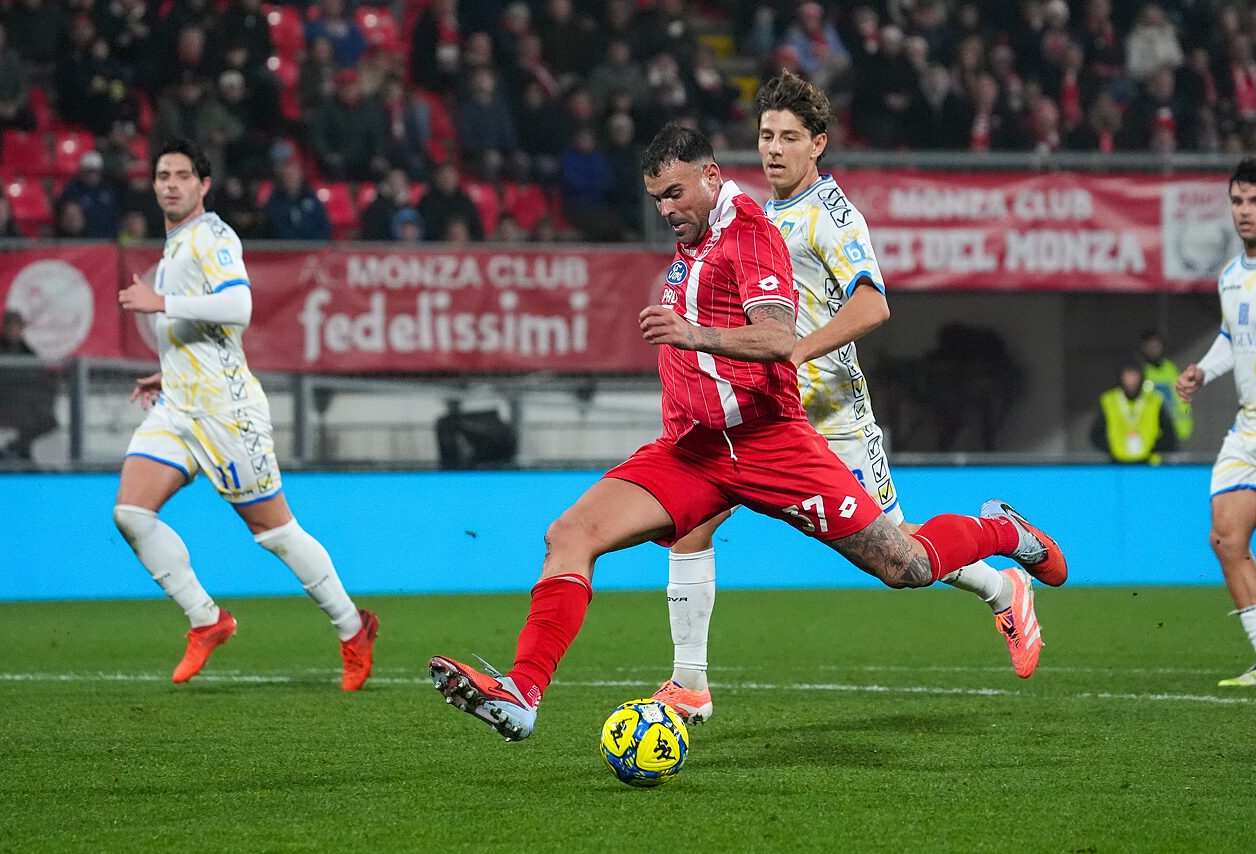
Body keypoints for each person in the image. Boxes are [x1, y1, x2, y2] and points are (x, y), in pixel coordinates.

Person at [428, 124, 1067, 742]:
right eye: (657, 200)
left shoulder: (751, 235)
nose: (667, 210)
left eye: (675, 194)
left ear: (711, 175)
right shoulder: (696, 233)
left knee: (904, 563)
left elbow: (777, 337)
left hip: (771, 443)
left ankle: (1006, 533)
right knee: (570, 534)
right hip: (694, 452)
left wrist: (693, 335)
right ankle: (523, 694)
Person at [652, 71, 1047, 728]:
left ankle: (1005, 581)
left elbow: (873, 303)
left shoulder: (833, 217)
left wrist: (797, 350)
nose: (774, 148)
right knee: (689, 526)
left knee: (900, 551)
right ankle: (689, 683)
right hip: (758, 423)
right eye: (766, 135)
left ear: (818, 145)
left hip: (831, 418)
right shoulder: (747, 214)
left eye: (789, 137)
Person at [114, 139, 378, 690]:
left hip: (226, 413)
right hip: (179, 406)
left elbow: (238, 307)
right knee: (132, 514)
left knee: (275, 532)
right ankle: (206, 620)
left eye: (182, 175)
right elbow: (203, 332)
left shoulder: (212, 236)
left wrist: (161, 304)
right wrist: (170, 368)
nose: (170, 184)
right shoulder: (172, 251)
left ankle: (353, 627)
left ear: (203, 185)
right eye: (163, 175)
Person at [1176, 157, 1256, 687]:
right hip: (1248, 428)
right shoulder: (1231, 277)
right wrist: (1203, 370)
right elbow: (1233, 338)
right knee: (1226, 539)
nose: (1244, 212)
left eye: (1253, 201)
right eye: (1237, 201)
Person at [0, 310, 57, 459]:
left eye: (17, 327)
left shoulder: (28, 351)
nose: (14, 331)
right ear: (4, 329)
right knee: (27, 417)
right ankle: (14, 451)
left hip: (33, 404)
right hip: (6, 403)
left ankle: (17, 448)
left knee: (49, 421)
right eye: (11, 327)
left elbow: (42, 377)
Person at [1091, 360, 1176, 464]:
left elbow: (1170, 435)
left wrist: (1152, 449)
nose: (1131, 381)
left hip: (1148, 464)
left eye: (1134, 376)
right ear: (1121, 377)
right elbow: (1095, 435)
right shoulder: (1109, 400)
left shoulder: (1154, 400)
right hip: (1118, 464)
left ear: (1141, 376)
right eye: (1127, 376)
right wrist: (1113, 449)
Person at [1140, 330, 1192, 442]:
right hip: (1150, 435)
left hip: (1175, 433)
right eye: (1150, 345)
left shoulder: (1171, 369)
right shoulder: (1141, 372)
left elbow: (1182, 399)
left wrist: (1185, 426)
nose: (1154, 349)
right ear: (1144, 348)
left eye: (1156, 345)